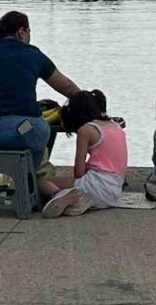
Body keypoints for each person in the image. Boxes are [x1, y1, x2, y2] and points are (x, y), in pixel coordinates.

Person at [0, 10, 82, 191]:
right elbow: (67, 87)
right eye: (29, 31)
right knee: (41, 130)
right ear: (21, 32)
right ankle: (31, 179)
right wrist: (89, 103)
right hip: (20, 131)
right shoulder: (32, 54)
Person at [40, 89, 128, 218]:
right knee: (74, 184)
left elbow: (78, 172)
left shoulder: (86, 130)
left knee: (41, 183)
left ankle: (59, 196)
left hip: (94, 187)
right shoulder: (117, 126)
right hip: (114, 191)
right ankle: (78, 203)